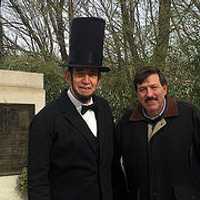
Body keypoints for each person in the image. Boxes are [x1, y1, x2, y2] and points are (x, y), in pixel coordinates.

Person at [28, 17, 114, 200]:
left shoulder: (105, 109)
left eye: (92, 74)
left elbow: (111, 166)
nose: (86, 80)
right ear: (68, 76)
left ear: (99, 79)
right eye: (80, 73)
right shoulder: (46, 119)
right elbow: (37, 182)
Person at [112, 67, 200, 200]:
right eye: (142, 89)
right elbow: (113, 166)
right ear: (137, 93)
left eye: (154, 87)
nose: (149, 94)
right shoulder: (125, 124)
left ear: (164, 89)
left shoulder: (189, 115)